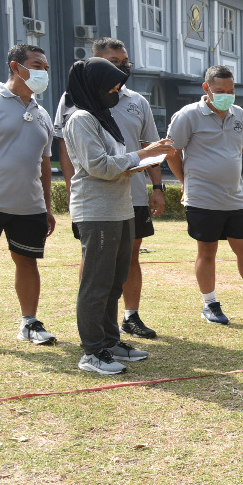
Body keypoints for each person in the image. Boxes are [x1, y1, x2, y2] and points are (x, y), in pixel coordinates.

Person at [62, 58, 175, 374]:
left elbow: (117, 164)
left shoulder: (103, 117)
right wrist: (144, 153)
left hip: (121, 208)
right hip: (97, 212)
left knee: (114, 280)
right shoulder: (81, 119)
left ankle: (110, 342)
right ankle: (91, 351)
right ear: (94, 87)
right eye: (111, 87)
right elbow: (98, 166)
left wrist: (143, 161)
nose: (117, 92)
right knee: (96, 283)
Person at [166, 65, 243, 324]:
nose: (227, 95)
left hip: (235, 198)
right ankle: (210, 304)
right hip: (202, 198)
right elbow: (171, 153)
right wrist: (186, 181)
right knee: (207, 252)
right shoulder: (188, 115)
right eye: (220, 90)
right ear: (207, 89)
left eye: (231, 90)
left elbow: (239, 151)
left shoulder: (240, 115)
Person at [0, 44, 58, 350]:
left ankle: (29, 323)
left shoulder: (42, 113)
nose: (43, 72)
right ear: (15, 66)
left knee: (28, 263)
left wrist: (47, 207)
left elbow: (45, 162)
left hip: (29, 206)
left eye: (46, 68)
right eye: (37, 65)